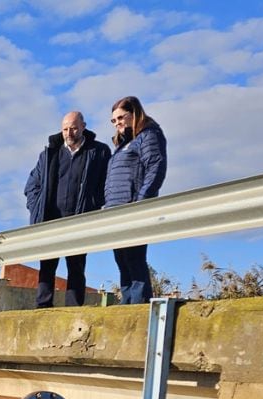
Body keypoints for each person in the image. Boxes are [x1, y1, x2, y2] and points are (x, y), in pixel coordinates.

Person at [23, 110, 111, 308]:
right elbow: (31, 186)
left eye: (73, 128)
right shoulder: (49, 155)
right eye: (65, 129)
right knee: (46, 266)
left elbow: (107, 183)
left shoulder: (98, 152)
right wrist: (37, 207)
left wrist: (94, 202)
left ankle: (73, 309)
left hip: (79, 219)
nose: (69, 133)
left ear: (83, 127)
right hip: (51, 219)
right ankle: (43, 308)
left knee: (76, 266)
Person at [103, 96, 167, 304]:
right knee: (122, 261)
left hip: (133, 208)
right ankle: (127, 303)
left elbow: (155, 167)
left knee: (134, 259)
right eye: (114, 120)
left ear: (134, 113)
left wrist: (142, 202)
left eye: (121, 117)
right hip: (116, 211)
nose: (117, 123)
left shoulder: (148, 135)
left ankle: (138, 306)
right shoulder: (122, 145)